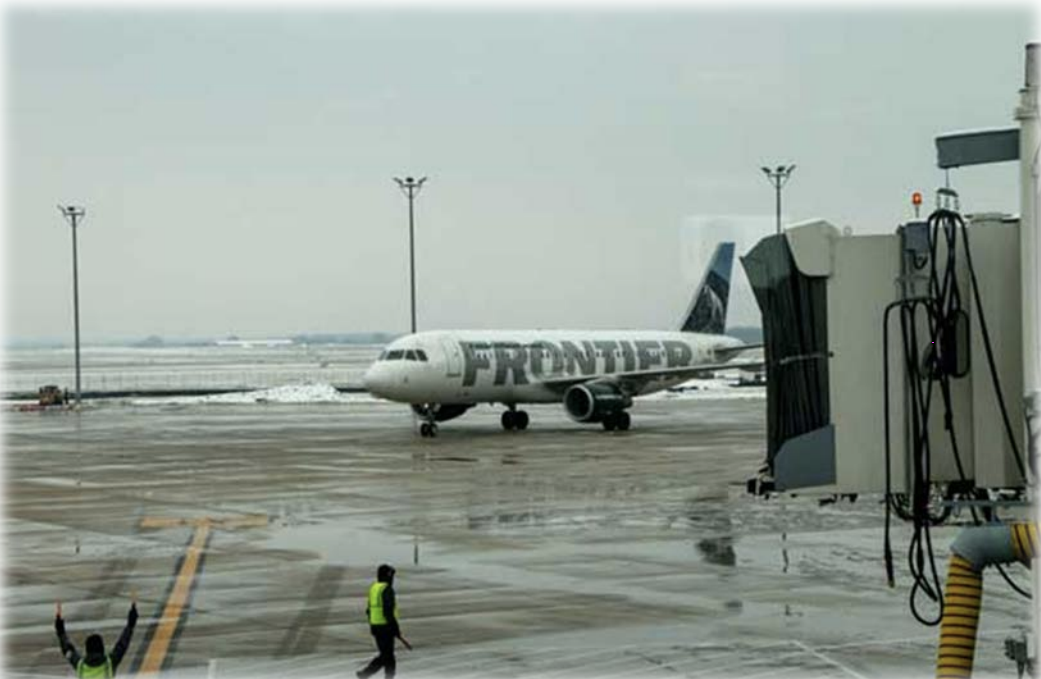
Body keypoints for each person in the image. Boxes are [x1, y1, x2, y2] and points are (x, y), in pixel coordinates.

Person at [55, 596, 138, 678]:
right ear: (102, 649)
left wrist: (61, 631)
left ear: (87, 650)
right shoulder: (110, 663)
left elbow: (67, 650)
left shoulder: (80, 666)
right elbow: (122, 644)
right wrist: (131, 624)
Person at [357, 564, 410, 679]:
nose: (392, 579)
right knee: (387, 656)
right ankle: (366, 673)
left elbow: (368, 610)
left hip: (376, 627)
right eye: (391, 576)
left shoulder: (374, 588)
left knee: (387, 656)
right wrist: (395, 629)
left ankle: (369, 674)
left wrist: (374, 623)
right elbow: (388, 611)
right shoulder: (387, 589)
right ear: (387, 576)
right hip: (386, 628)